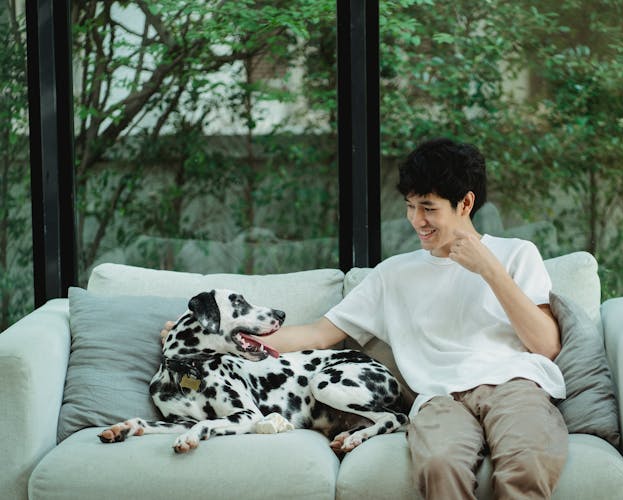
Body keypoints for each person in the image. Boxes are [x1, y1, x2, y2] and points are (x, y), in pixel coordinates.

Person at [163, 137, 568, 499]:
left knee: (527, 463)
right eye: (410, 206)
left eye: (429, 208)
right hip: (439, 399)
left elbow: (546, 345)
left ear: (465, 203)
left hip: (515, 386)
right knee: (439, 466)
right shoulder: (393, 274)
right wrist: (219, 337)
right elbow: (319, 334)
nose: (416, 220)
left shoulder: (517, 253)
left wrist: (490, 270)